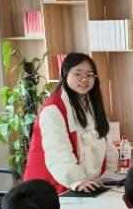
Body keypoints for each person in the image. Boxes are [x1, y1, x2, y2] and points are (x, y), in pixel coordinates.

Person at [24, 53, 118, 194]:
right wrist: (77, 181)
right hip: (50, 189)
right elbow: (58, 152)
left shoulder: (91, 104)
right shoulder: (53, 109)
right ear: (65, 75)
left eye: (89, 75)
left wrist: (110, 174)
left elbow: (106, 142)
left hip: (86, 186)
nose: (84, 79)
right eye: (78, 74)